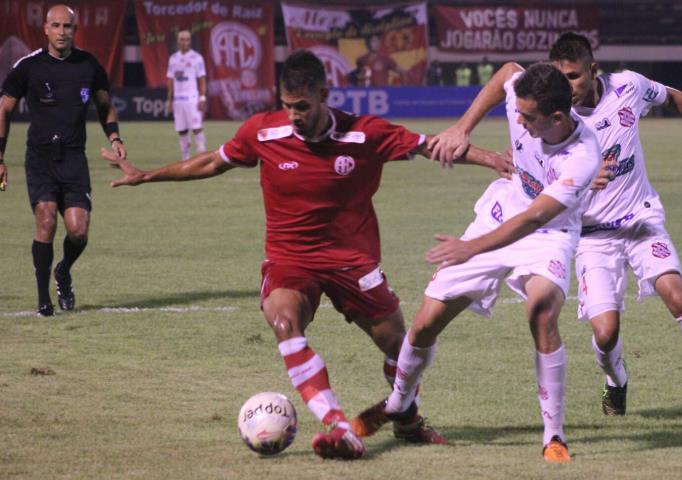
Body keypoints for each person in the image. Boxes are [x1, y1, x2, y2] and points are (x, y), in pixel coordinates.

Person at [102, 50, 505, 460]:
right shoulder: (263, 132)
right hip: (290, 260)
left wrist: (491, 159)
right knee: (285, 322)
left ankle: (407, 420)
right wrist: (146, 175)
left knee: (401, 350)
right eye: (287, 105)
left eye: (302, 106)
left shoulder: (364, 133)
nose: (293, 115)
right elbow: (211, 162)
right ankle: (340, 427)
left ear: (324, 96)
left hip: (353, 260)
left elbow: (430, 146)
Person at [350, 63, 604, 464]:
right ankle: (398, 402)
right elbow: (507, 72)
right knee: (425, 323)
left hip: (549, 234)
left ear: (557, 118)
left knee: (542, 313)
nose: (518, 121)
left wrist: (472, 248)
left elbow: (536, 218)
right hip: (499, 214)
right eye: (518, 112)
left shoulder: (583, 155)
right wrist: (462, 128)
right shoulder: (523, 100)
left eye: (528, 117)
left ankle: (553, 435)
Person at [545, 32, 682, 426]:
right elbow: (542, 184)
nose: (567, 86)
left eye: (573, 76)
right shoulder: (553, 120)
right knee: (605, 334)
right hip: (593, 237)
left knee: (677, 296)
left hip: (640, 221)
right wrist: (582, 179)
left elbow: (673, 98)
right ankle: (616, 380)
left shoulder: (628, 87)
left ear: (593, 70)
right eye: (559, 78)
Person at [0, 4, 126, 317]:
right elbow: (4, 109)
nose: (61, 32)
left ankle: (63, 271)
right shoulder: (28, 67)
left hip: (73, 158)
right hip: (40, 158)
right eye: (55, 25)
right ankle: (44, 301)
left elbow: (105, 105)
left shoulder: (88, 65)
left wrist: (115, 137)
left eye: (67, 26)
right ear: (45, 29)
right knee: (46, 219)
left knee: (78, 230)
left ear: (75, 30)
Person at [166, 30, 207, 160]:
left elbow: (202, 79)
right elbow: (170, 80)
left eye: (187, 39)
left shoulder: (197, 58)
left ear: (190, 41)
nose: (184, 42)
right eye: (182, 39)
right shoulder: (173, 59)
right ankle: (185, 158)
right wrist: (169, 100)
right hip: (178, 100)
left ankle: (202, 156)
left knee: (196, 128)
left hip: (192, 99)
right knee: (182, 130)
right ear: (177, 41)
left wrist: (202, 97)